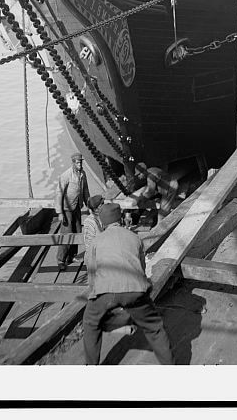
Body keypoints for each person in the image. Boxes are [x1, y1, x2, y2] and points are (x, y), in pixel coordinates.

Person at [81, 203, 175, 365]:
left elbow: (91, 271)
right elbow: (142, 268)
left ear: (102, 222)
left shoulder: (96, 241)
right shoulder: (134, 237)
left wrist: (94, 294)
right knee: (155, 328)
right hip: (135, 289)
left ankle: (91, 366)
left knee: (90, 323)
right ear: (122, 219)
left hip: (105, 291)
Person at [56, 153, 90, 271]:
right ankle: (61, 260)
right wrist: (60, 213)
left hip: (77, 207)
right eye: (77, 162)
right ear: (73, 163)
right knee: (67, 233)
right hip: (67, 208)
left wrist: (89, 205)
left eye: (81, 162)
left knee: (77, 230)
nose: (80, 164)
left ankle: (71, 256)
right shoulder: (66, 175)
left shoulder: (82, 174)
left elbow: (85, 190)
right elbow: (59, 193)